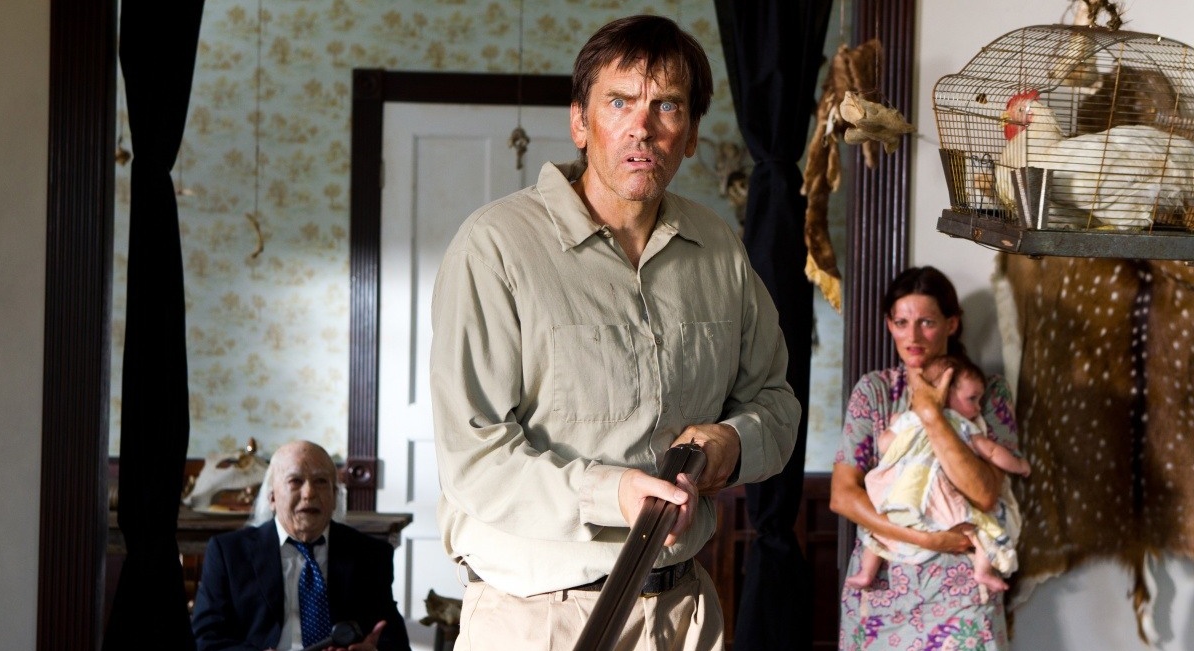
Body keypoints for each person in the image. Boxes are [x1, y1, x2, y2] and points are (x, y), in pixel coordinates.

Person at [428, 14, 801, 651]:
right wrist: (613, 493)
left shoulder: (719, 249)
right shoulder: (493, 248)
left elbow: (777, 403)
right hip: (538, 621)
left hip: (685, 613)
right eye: (620, 102)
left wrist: (732, 444)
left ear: (690, 134)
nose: (642, 127)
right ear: (580, 122)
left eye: (667, 106)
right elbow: (474, 457)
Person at [831, 266, 1020, 650]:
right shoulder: (874, 392)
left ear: (952, 324)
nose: (913, 336)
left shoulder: (985, 395)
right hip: (883, 586)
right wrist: (925, 538)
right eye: (901, 322)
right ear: (889, 324)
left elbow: (985, 495)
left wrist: (932, 415)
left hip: (963, 590)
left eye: (927, 322)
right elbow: (843, 496)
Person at [191, 440, 412, 651]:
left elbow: (395, 641)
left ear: (334, 497)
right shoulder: (229, 553)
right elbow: (205, 638)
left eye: (321, 481)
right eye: (295, 481)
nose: (309, 493)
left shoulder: (370, 554)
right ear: (272, 497)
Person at [844, 354, 1030, 594]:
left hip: (903, 496)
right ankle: (982, 571)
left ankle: (866, 573)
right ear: (946, 391)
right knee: (984, 528)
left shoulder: (910, 418)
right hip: (938, 499)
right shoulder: (963, 425)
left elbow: (884, 445)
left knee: (876, 533)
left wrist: (896, 427)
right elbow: (993, 452)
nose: (978, 407)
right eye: (972, 399)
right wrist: (1019, 465)